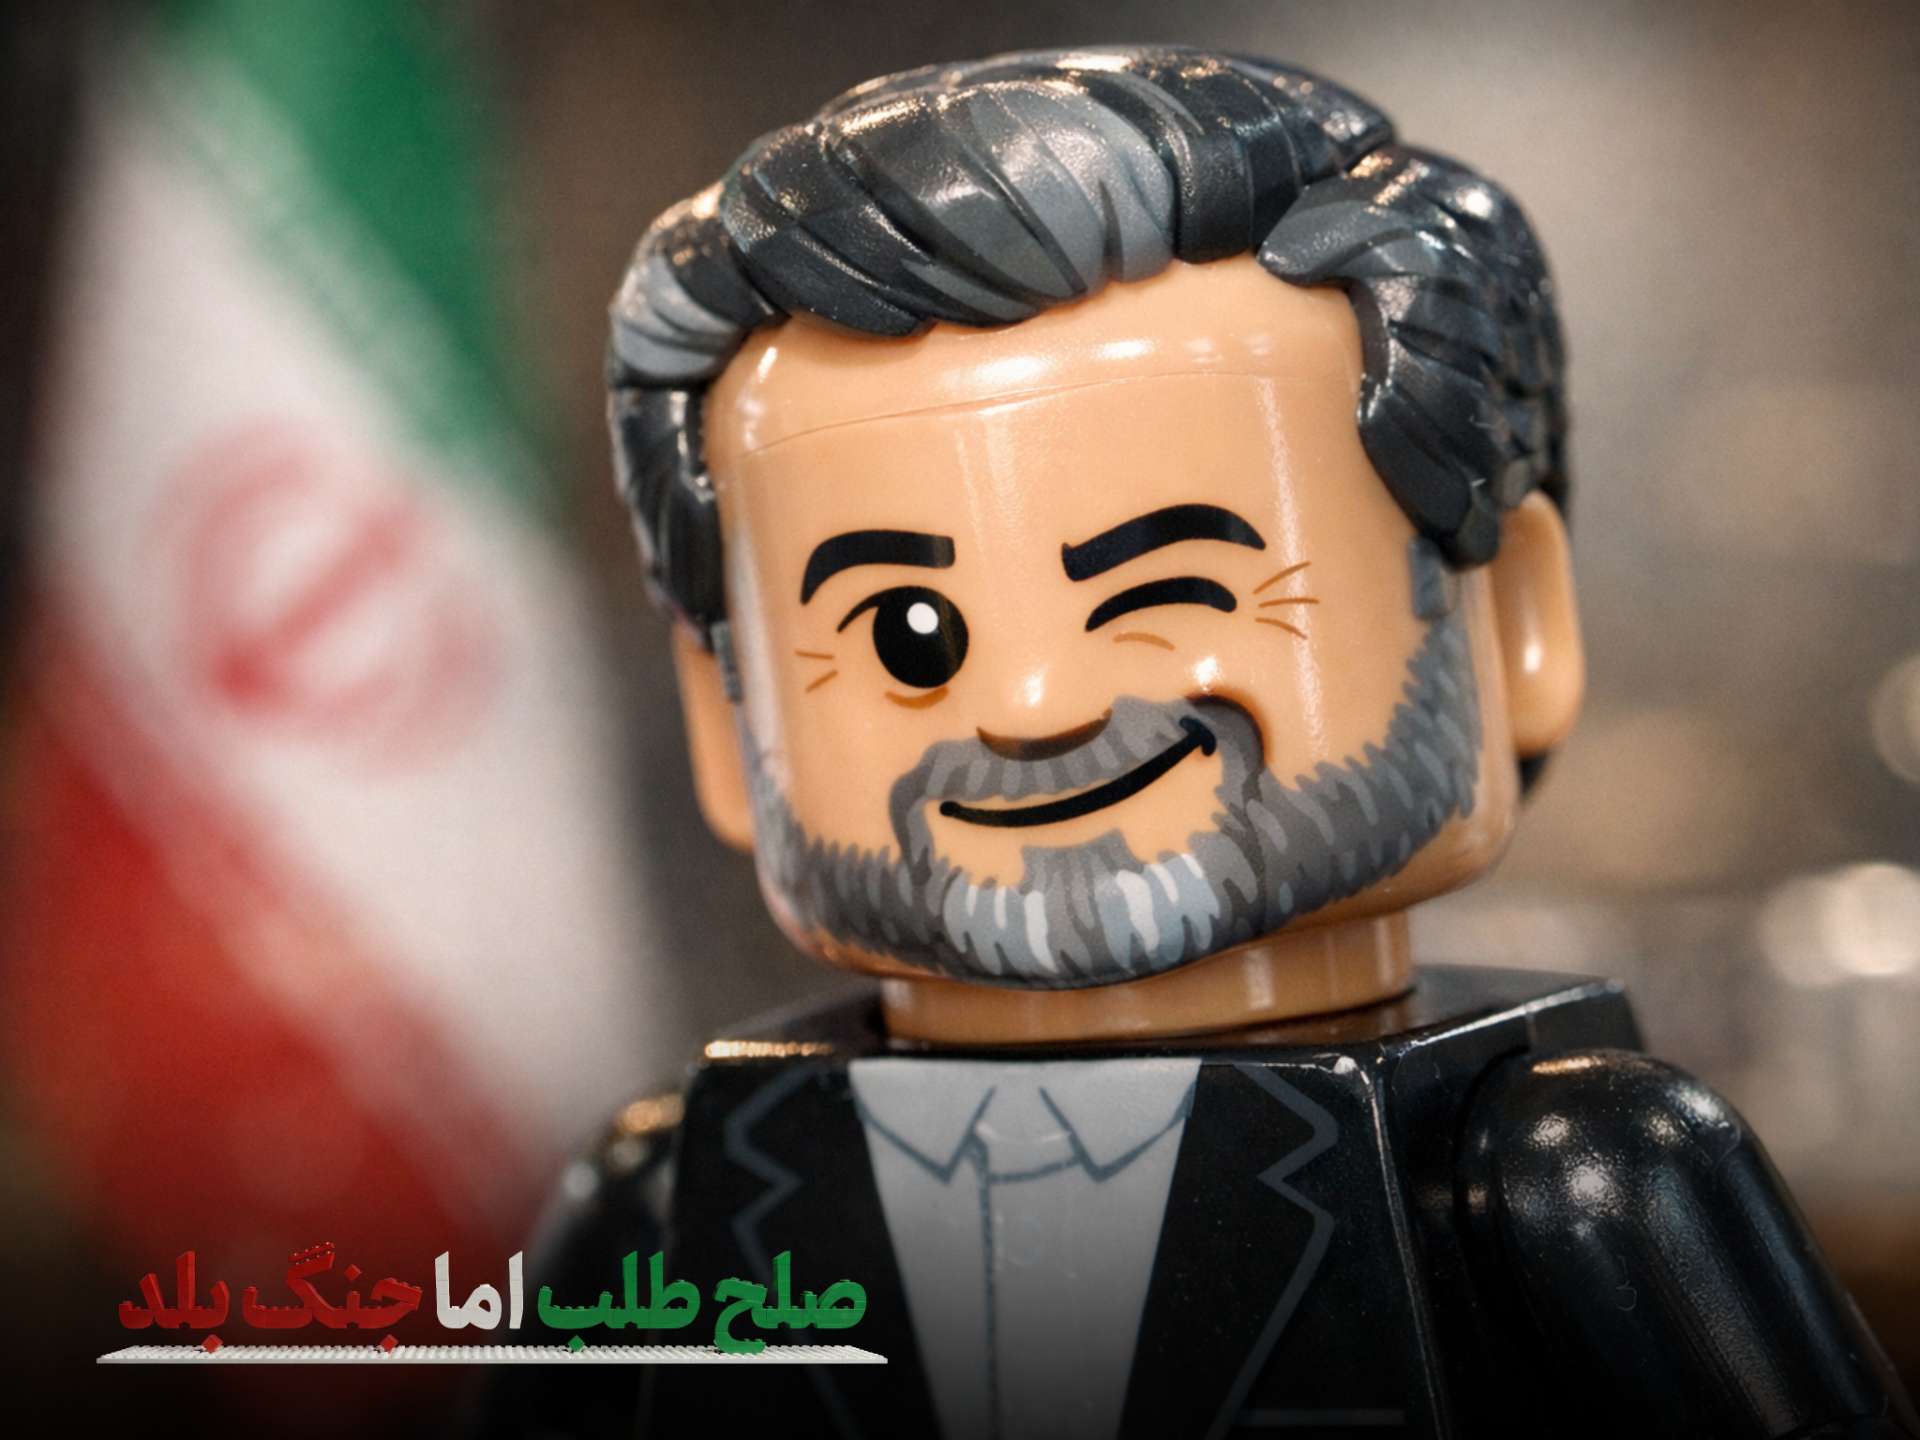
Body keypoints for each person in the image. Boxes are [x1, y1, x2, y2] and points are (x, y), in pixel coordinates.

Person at [511, 47, 1916, 1438]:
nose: (1038, 706)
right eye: (906, 635)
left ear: (1514, 628)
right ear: (727, 714)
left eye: (1166, 589)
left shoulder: (1561, 1177)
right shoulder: (669, 1201)